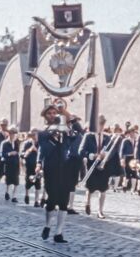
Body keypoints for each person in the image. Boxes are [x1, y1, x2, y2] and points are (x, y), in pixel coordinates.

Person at [37, 103, 83, 243]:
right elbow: (45, 149)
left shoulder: (66, 131)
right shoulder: (43, 133)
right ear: (45, 116)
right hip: (51, 169)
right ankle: (47, 225)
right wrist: (54, 134)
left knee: (63, 202)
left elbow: (80, 134)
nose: (52, 115)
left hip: (66, 169)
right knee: (51, 200)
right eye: (49, 113)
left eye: (54, 113)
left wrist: (71, 119)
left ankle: (58, 233)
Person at [79, 116, 117, 218]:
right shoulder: (88, 136)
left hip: (104, 166)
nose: (101, 126)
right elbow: (81, 151)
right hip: (92, 165)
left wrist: (106, 155)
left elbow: (112, 151)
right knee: (90, 188)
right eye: (99, 123)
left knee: (103, 189)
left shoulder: (107, 137)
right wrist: (92, 155)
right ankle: (87, 203)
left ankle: (100, 211)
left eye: (102, 124)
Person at [0, 126, 21, 202]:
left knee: (16, 181)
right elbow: (2, 154)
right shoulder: (4, 143)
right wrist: (9, 153)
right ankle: (7, 192)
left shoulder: (16, 142)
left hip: (15, 164)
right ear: (9, 134)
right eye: (12, 134)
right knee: (8, 180)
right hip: (8, 164)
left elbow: (18, 152)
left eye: (14, 134)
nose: (13, 135)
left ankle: (14, 196)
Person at [21, 131, 41, 206]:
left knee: (38, 183)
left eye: (35, 135)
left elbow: (43, 153)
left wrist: (36, 150)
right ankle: (27, 195)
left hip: (37, 165)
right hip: (29, 165)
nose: (34, 137)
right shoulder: (26, 143)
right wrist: (29, 150)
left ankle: (36, 201)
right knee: (28, 181)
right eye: (32, 135)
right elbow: (22, 154)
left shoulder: (40, 143)